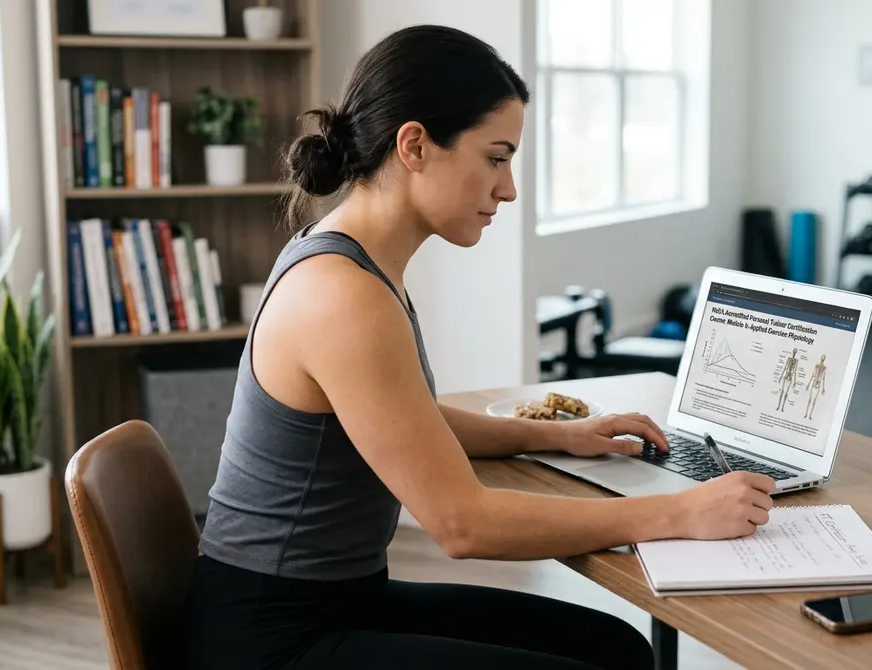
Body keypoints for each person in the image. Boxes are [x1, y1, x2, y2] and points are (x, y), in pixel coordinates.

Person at [181, 24, 775, 670]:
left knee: (618, 649)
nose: (508, 187)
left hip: (334, 603)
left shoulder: (354, 263)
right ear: (414, 145)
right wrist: (677, 513)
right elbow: (463, 525)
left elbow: (411, 422)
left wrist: (561, 435)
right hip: (270, 640)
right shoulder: (342, 295)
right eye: (495, 157)